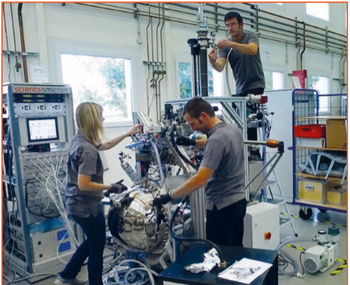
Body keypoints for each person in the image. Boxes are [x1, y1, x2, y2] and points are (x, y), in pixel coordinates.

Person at [55, 102, 141, 285]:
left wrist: (127, 133)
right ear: (92, 120)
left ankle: (67, 274)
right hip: (86, 207)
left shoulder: (79, 139)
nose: (103, 119)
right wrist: (110, 187)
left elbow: (105, 144)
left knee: (94, 241)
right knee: (97, 247)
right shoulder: (87, 150)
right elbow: (84, 184)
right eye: (100, 116)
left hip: (76, 203)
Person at [153, 97, 247, 247]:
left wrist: (169, 196)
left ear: (203, 116)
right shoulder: (231, 129)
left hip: (221, 208)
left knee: (220, 255)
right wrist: (192, 142)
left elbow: (200, 180)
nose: (193, 129)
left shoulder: (216, 139)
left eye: (193, 124)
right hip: (238, 203)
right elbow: (218, 145)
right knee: (235, 250)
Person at [209, 11, 265, 157]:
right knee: (238, 120)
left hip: (255, 84)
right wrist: (212, 61)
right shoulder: (226, 47)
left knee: (250, 119)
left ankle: (253, 151)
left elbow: (252, 50)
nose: (230, 28)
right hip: (240, 88)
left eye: (233, 24)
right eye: (227, 25)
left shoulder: (250, 36)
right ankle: (242, 150)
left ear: (241, 25)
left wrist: (231, 43)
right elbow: (220, 67)